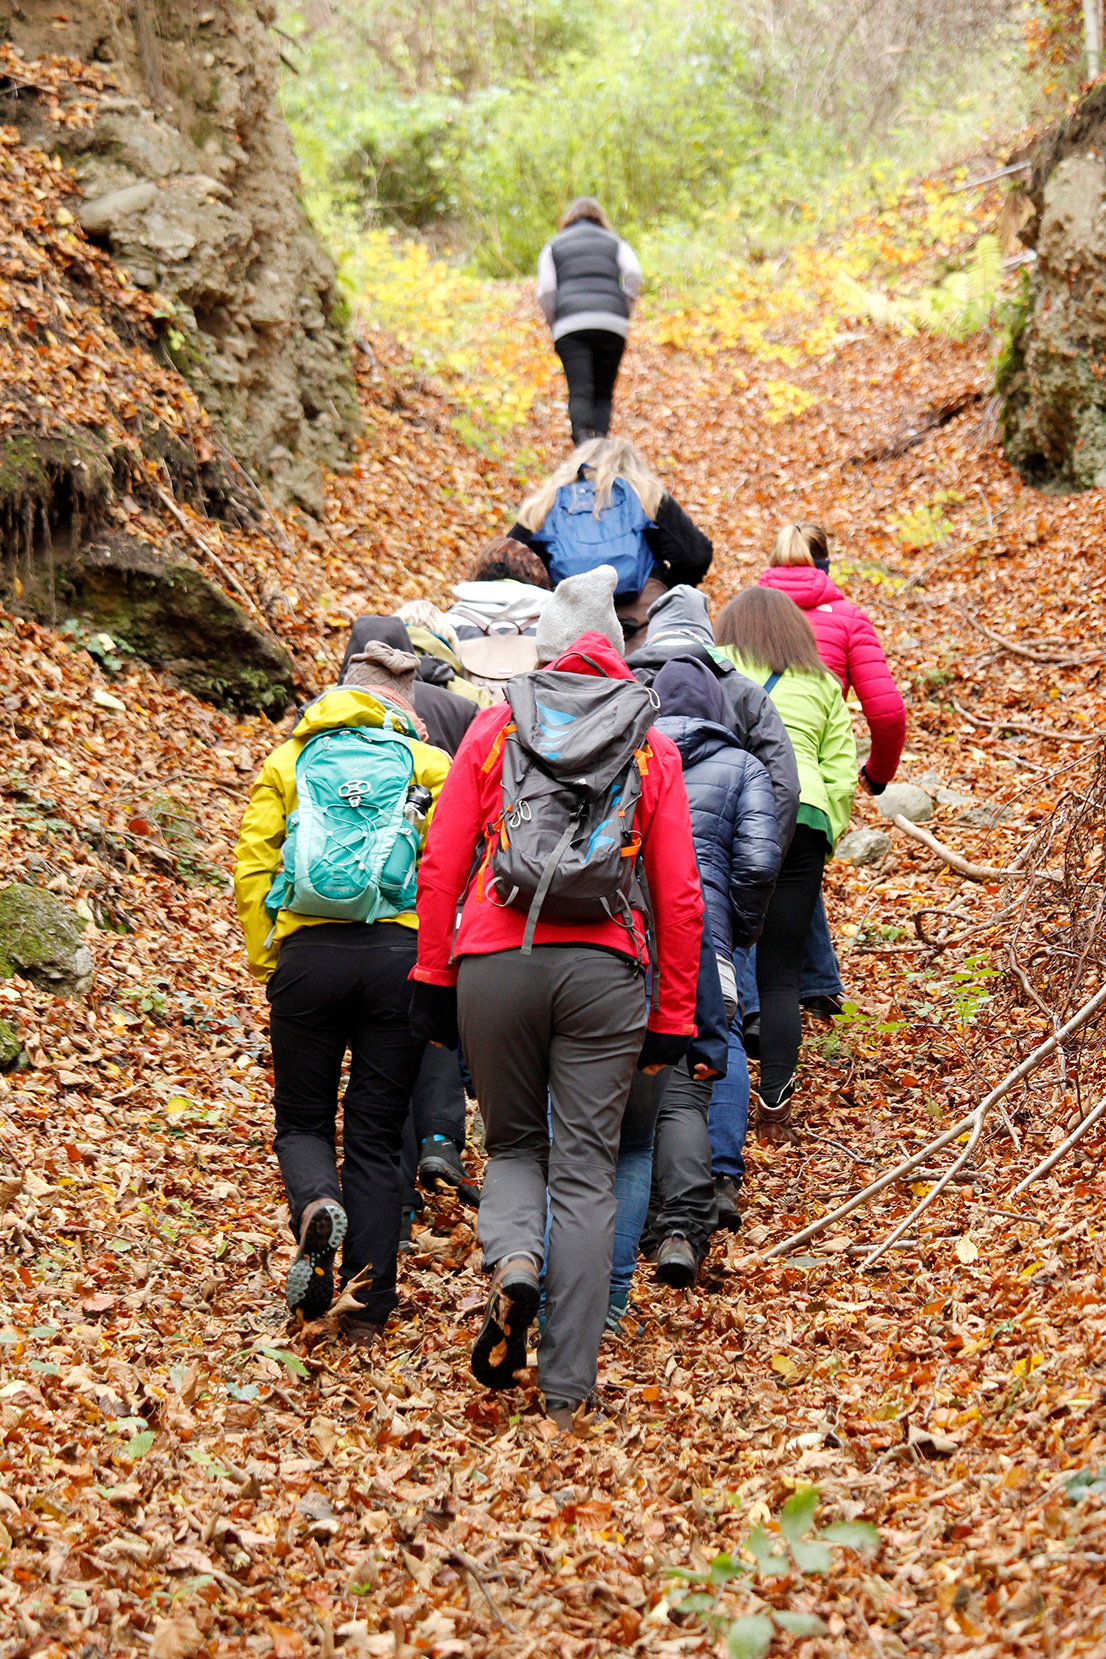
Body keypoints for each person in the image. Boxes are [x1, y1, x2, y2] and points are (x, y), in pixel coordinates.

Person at [411, 566, 703, 1431]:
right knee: (585, 1175)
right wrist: (675, 1014)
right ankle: (569, 1388)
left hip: (497, 959)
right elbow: (681, 894)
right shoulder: (651, 741)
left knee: (510, 1146)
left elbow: (443, 857)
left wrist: (433, 973)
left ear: (540, 651)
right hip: (605, 971)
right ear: (618, 654)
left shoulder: (499, 723)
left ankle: (512, 1263)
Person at [233, 644, 450, 1348]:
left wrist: (272, 954)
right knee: (377, 1134)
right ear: (406, 704)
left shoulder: (290, 761)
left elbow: (253, 861)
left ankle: (317, 1205)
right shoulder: (426, 765)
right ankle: (366, 1309)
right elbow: (456, 864)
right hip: (399, 958)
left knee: (301, 1121)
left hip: (308, 955)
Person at [609, 654, 781, 1305]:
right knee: (691, 1081)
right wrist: (740, 927)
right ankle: (686, 1222)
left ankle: (606, 1246)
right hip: (702, 932)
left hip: (621, 931)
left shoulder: (631, 756)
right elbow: (762, 858)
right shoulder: (742, 764)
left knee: (620, 1079)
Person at [338, 617, 480, 1242]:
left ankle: (389, 1201)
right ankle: (442, 1138)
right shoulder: (458, 710)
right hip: (433, 901)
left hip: (343, 914)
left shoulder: (327, 720)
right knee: (431, 1024)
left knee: (376, 1063)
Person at [742, 524, 907, 1043]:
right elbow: (886, 711)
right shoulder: (849, 620)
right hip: (812, 774)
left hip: (744, 775)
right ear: (826, 566)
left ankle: (774, 995)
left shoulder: (742, 621)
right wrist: (877, 776)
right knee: (797, 865)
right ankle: (809, 986)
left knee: (753, 879)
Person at [714, 588, 857, 1143]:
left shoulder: (720, 669)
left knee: (720, 950)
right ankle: (774, 1101)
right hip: (804, 819)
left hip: (733, 809)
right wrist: (826, 828)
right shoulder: (821, 682)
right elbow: (841, 768)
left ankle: (713, 1086)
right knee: (781, 971)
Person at [508, 438, 713, 641]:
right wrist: (664, 587)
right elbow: (695, 556)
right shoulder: (646, 495)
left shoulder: (547, 503)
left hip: (570, 630)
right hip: (642, 625)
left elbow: (509, 561)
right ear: (632, 467)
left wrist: (545, 593)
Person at [536, 196, 642, 444]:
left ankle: (584, 450)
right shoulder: (616, 243)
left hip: (570, 326)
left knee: (580, 389)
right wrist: (622, 308)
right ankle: (601, 447)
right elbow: (634, 274)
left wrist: (556, 323)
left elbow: (546, 291)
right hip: (612, 323)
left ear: (568, 218)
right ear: (600, 218)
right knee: (603, 393)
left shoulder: (554, 245)